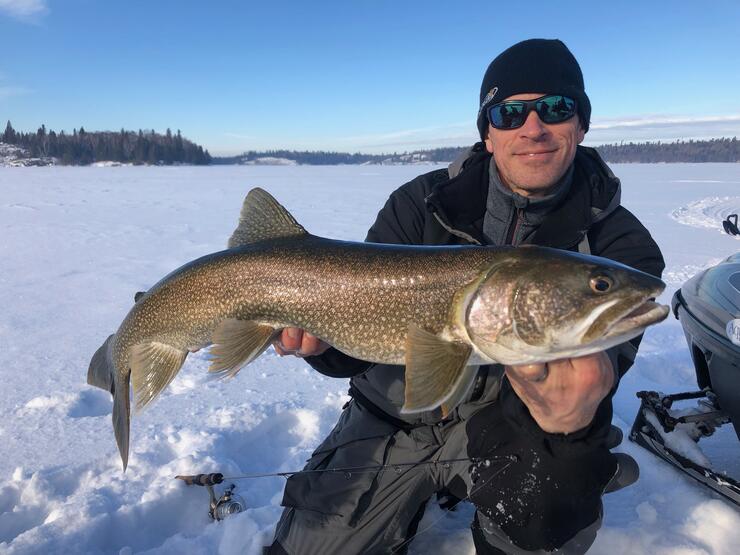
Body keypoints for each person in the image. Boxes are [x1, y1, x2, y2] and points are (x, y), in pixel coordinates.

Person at [266, 38, 665, 555]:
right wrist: (324, 347)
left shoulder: (620, 247)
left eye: (557, 107)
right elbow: (356, 326)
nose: (534, 126)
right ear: (489, 133)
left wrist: (568, 430)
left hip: (510, 425)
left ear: (581, 126)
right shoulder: (420, 204)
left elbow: (601, 366)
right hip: (393, 415)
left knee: (546, 520)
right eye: (510, 112)